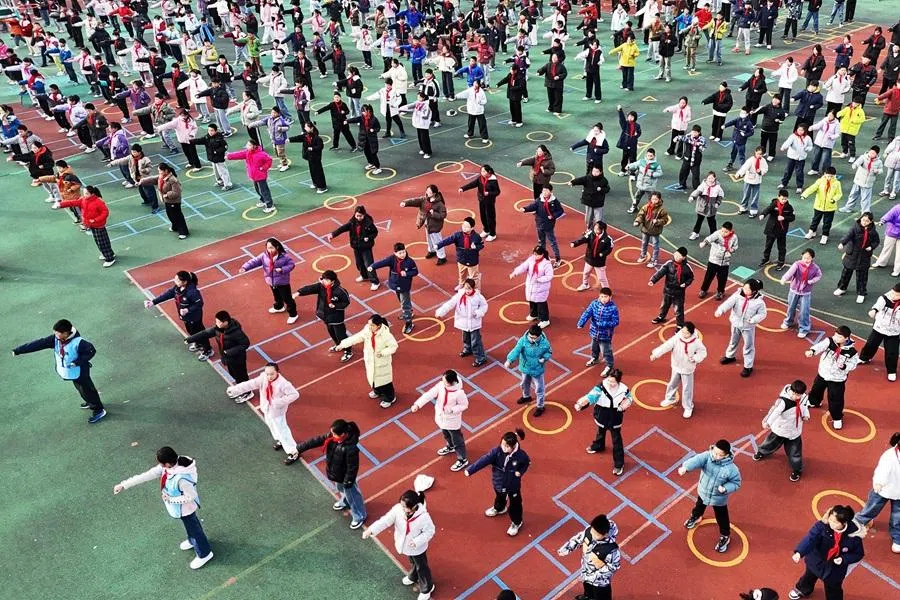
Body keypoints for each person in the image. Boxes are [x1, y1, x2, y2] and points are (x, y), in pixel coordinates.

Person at [112, 446, 214, 569]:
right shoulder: (171, 466)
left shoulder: (182, 479)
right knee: (191, 526)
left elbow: (191, 496)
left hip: (185, 508)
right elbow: (148, 475)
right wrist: (124, 484)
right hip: (181, 508)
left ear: (167, 463)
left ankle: (204, 553)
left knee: (194, 528)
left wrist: (171, 500)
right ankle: (193, 540)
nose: (159, 466)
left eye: (160, 463)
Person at [12, 319, 107, 423]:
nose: (55, 335)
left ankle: (98, 410)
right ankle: (91, 402)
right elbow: (39, 344)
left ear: (66, 333)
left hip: (81, 372)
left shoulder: (79, 342)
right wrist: (19, 350)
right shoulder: (57, 339)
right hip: (73, 372)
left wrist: (77, 362)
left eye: (58, 333)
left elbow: (91, 351)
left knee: (88, 390)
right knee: (80, 388)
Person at [363, 487, 436, 600]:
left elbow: (430, 531)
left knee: (422, 566)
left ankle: (427, 588)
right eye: (401, 505)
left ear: (414, 506)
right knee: (412, 561)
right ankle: (413, 576)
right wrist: (371, 530)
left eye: (405, 507)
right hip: (405, 545)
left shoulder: (424, 517)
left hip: (417, 548)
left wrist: (416, 542)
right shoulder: (398, 510)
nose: (402, 508)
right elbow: (386, 520)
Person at [295, 419, 367, 529]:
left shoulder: (350, 449)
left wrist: (348, 480)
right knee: (341, 489)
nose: (331, 435)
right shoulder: (332, 438)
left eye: (334, 433)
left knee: (352, 495)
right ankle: (345, 500)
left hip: (346, 477)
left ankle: (360, 515)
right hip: (337, 474)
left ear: (343, 434)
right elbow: (316, 440)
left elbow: (352, 467)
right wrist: (301, 447)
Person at [226, 363, 300, 464]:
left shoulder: (284, 384)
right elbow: (250, 384)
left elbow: (294, 394)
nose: (269, 376)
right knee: (272, 426)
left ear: (277, 372)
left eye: (272, 374)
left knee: (282, 429)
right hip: (266, 408)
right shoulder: (263, 378)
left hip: (277, 411)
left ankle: (293, 451)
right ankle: (280, 440)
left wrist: (278, 402)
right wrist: (235, 389)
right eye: (267, 374)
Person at [678, 439, 742, 554]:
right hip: (703, 491)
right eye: (715, 453)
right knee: (699, 506)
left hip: (718, 498)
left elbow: (736, 483)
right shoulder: (707, 456)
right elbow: (696, 460)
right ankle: (696, 516)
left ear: (727, 455)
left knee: (721, 516)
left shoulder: (732, 469)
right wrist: (686, 467)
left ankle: (725, 535)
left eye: (720, 455)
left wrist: (726, 488)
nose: (716, 456)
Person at [788, 505, 865, 600]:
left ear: (844, 523)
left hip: (835, 567)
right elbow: (811, 539)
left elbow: (858, 554)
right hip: (817, 560)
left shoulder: (854, 536)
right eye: (830, 519)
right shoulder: (822, 527)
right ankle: (802, 589)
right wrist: (800, 552)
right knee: (809, 576)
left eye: (835, 522)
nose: (830, 523)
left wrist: (843, 559)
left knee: (833, 587)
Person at [464, 429, 530, 537]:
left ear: (513, 447)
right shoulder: (497, 452)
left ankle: (517, 522)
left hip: (513, 485)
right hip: (499, 482)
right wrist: (470, 470)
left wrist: (520, 472)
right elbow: (484, 460)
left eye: (507, 446)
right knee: (499, 496)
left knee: (515, 504)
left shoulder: (521, 456)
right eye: (503, 444)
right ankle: (499, 508)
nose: (504, 447)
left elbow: (526, 463)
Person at [332, 314, 398, 408]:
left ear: (378, 326)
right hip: (370, 360)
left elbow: (394, 346)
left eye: (372, 325)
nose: (369, 326)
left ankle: (390, 398)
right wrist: (342, 345)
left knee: (385, 383)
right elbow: (356, 338)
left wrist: (383, 352)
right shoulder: (367, 331)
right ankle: (377, 392)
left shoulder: (386, 335)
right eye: (369, 324)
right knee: (373, 379)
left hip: (381, 362)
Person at [574, 369, 632, 476]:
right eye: (609, 380)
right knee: (600, 431)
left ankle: (619, 464)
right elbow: (591, 396)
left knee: (616, 440)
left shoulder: (624, 389)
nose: (610, 383)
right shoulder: (601, 387)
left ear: (618, 381)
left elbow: (629, 398)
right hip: (602, 413)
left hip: (615, 415)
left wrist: (624, 404)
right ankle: (599, 445)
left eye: (613, 382)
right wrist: (582, 403)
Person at [184, 311, 252, 402]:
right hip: (227, 358)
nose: (217, 323)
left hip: (237, 359)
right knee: (233, 374)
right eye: (216, 321)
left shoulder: (236, 332)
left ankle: (247, 392)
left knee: (241, 376)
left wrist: (229, 352)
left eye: (219, 322)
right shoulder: (218, 329)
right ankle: (240, 387)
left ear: (226, 322)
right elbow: (205, 333)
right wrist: (190, 339)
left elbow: (245, 344)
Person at [144, 271, 212, 360]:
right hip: (186, 317)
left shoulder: (192, 292)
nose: (174, 281)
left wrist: (187, 310)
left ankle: (208, 350)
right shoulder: (177, 288)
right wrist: (153, 302)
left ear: (184, 282)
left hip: (194, 317)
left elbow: (199, 304)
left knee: (199, 333)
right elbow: (167, 295)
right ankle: (198, 343)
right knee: (191, 332)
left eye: (177, 280)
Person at [411, 369, 470, 472]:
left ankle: (462, 459)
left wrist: (452, 410)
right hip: (441, 417)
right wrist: (418, 404)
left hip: (452, 420)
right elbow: (429, 394)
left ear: (451, 382)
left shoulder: (459, 393)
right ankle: (450, 446)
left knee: (457, 439)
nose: (443, 382)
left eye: (445, 381)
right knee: (446, 434)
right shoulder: (440, 385)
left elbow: (464, 405)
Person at [852, 431, 900, 554]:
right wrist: (879, 482)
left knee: (898, 516)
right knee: (872, 506)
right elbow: (882, 471)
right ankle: (860, 520)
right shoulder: (889, 456)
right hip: (884, 489)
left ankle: (897, 536)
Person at [805, 326, 859, 430]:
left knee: (835, 398)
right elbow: (820, 346)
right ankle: (814, 401)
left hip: (837, 378)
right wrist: (812, 351)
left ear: (846, 338)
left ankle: (837, 417)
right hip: (823, 373)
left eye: (839, 336)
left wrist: (844, 366)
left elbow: (853, 364)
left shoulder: (852, 352)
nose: (835, 337)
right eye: (835, 335)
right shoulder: (830, 341)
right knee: (816, 389)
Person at [754, 380, 810, 482]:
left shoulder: (804, 397)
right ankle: (762, 452)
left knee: (795, 452)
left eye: (798, 395)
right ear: (790, 391)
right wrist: (767, 422)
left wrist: (806, 415)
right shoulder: (783, 401)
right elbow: (774, 412)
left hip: (794, 431)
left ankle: (797, 469)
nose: (795, 397)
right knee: (770, 442)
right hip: (780, 429)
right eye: (793, 394)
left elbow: (805, 407)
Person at [293, 269, 353, 362]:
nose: (324, 281)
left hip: (336, 317)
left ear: (332, 281)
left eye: (326, 280)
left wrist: (335, 306)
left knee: (340, 334)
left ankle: (348, 351)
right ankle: (338, 345)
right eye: (323, 279)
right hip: (326, 316)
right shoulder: (321, 287)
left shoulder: (340, 291)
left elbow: (346, 302)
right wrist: (299, 292)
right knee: (331, 333)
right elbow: (310, 288)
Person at [557, 514, 621, 600]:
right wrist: (567, 548)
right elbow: (578, 539)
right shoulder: (589, 531)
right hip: (586, 572)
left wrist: (594, 577)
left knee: (601, 597)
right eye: (592, 531)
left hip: (600, 582)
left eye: (597, 534)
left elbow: (613, 567)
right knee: (588, 589)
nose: (593, 535)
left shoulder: (611, 551)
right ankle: (588, 597)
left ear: (605, 535)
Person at [651, 321, 708, 418]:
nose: (684, 334)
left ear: (691, 333)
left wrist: (695, 358)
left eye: (686, 333)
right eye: (683, 331)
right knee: (672, 383)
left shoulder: (696, 342)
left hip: (687, 368)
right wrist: (656, 354)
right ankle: (670, 398)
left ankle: (688, 407)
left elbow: (703, 352)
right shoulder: (677, 338)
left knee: (687, 388)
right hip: (676, 366)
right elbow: (666, 346)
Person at [51, 184, 116, 266]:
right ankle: (109, 253)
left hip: (98, 224)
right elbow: (73, 202)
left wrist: (95, 220)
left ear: (92, 194)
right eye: (84, 193)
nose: (84, 195)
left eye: (86, 193)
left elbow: (105, 212)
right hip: (91, 224)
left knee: (102, 242)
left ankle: (110, 258)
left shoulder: (98, 202)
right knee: (99, 241)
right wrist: (61, 204)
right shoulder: (83, 199)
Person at [715, 279, 768, 378]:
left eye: (748, 289)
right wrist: (721, 310)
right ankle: (730, 356)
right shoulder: (737, 295)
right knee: (733, 341)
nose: (745, 290)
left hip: (748, 327)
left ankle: (748, 366)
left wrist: (753, 320)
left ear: (754, 291)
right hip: (735, 323)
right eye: (744, 287)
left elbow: (763, 314)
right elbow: (728, 303)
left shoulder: (759, 302)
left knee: (748, 346)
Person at [239, 238, 298, 324]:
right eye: (268, 248)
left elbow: (291, 265)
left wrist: (282, 269)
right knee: (276, 296)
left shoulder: (284, 256)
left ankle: (293, 314)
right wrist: (245, 267)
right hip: (271, 281)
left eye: (271, 248)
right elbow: (254, 261)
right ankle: (279, 307)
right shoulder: (264, 256)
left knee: (287, 298)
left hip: (282, 281)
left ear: (277, 247)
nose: (269, 250)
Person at [435, 278, 488, 368]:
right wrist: (441, 312)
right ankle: (468, 349)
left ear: (473, 288)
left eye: (469, 288)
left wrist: (478, 313)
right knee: (465, 338)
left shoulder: (478, 296)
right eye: (466, 288)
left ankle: (480, 358)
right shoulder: (459, 295)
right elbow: (450, 303)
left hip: (474, 323)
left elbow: (484, 306)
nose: (467, 291)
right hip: (464, 323)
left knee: (476, 341)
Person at [369, 243, 419, 335]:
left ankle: (409, 323)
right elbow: (382, 262)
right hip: (395, 284)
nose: (402, 254)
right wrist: (373, 266)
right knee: (401, 300)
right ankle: (409, 313)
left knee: (405, 304)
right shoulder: (392, 259)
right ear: (395, 253)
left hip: (404, 286)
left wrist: (407, 274)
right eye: (400, 253)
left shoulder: (410, 261)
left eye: (403, 252)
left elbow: (415, 271)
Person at [327, 205, 380, 291]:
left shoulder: (368, 223)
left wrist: (369, 238)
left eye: (361, 216)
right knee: (359, 263)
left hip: (366, 247)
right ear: (355, 214)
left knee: (368, 264)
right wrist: (333, 234)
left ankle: (375, 282)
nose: (359, 217)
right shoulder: (352, 222)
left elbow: (375, 232)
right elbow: (342, 228)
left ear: (364, 214)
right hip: (356, 246)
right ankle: (364, 276)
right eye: (357, 216)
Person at [505, 324, 553, 417]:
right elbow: (516, 350)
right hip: (525, 368)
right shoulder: (523, 340)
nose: (532, 340)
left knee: (539, 388)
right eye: (531, 337)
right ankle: (526, 396)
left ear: (539, 336)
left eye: (535, 338)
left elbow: (549, 352)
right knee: (524, 384)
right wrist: (509, 360)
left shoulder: (545, 343)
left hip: (537, 369)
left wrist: (544, 358)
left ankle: (540, 406)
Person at [858, 282, 900, 382]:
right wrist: (874, 311)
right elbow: (878, 306)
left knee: (892, 352)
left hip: (894, 331)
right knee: (871, 344)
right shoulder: (884, 298)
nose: (894, 296)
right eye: (893, 293)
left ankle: (891, 371)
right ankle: (864, 358)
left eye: (897, 295)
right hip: (879, 327)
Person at [835, 212, 880, 303]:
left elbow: (876, 241)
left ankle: (861, 293)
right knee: (846, 272)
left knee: (862, 276)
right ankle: (842, 288)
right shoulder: (855, 228)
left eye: (867, 221)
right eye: (863, 220)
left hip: (864, 256)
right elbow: (848, 236)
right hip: (852, 254)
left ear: (871, 222)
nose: (864, 222)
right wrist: (842, 243)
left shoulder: (873, 231)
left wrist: (871, 247)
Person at [400, 184, 448, 266]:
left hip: (435, 227)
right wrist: (405, 203)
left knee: (437, 241)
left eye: (429, 192)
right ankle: (431, 250)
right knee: (429, 239)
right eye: (427, 191)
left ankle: (442, 257)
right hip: (427, 225)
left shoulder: (439, 204)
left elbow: (443, 215)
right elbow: (414, 201)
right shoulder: (424, 199)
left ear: (434, 193)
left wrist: (434, 213)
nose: (427, 193)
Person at [780, 249, 824, 338]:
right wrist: (784, 278)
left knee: (804, 310)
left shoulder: (815, 267)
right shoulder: (797, 264)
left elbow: (819, 275)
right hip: (794, 290)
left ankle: (804, 328)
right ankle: (788, 321)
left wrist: (812, 281)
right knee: (791, 307)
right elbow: (790, 272)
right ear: (801, 256)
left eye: (808, 258)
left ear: (812, 258)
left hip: (806, 292)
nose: (806, 260)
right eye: (804, 257)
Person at [577, 287, 620, 373]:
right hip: (594, 332)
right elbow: (587, 313)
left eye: (606, 297)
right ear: (599, 296)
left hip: (605, 335)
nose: (603, 299)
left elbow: (615, 322)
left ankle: (609, 366)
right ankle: (595, 358)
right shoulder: (594, 304)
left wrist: (603, 324)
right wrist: (581, 323)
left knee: (606, 351)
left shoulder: (613, 308)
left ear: (610, 297)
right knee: (594, 347)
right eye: (602, 296)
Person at [510, 245, 555, 329]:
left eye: (537, 254)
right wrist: (515, 273)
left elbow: (549, 276)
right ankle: (533, 314)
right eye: (534, 254)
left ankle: (545, 320)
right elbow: (523, 266)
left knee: (541, 304)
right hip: (531, 286)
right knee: (532, 301)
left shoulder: (546, 264)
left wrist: (539, 279)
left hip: (541, 288)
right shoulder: (531, 259)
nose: (535, 256)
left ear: (542, 254)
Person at [226, 138, 275, 213]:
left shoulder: (261, 154)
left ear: (254, 146)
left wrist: (263, 168)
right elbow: (238, 154)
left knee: (264, 190)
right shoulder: (248, 153)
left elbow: (269, 160)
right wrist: (229, 156)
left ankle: (270, 205)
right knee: (258, 190)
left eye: (249, 145)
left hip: (260, 176)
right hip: (254, 176)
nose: (247, 146)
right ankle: (263, 200)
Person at [521, 184, 565, 267]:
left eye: (546, 191)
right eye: (543, 190)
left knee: (552, 242)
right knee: (541, 242)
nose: (544, 192)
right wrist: (525, 209)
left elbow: (560, 211)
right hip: (539, 224)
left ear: (551, 192)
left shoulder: (554, 201)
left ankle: (558, 258)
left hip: (548, 225)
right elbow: (533, 206)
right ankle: (544, 256)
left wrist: (553, 216)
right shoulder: (539, 200)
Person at [650, 246, 694, 328]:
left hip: (679, 293)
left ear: (683, 257)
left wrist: (686, 284)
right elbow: (661, 272)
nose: (676, 257)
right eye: (675, 254)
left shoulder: (687, 267)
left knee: (678, 310)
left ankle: (680, 325)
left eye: (679, 256)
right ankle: (661, 317)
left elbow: (691, 278)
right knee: (664, 306)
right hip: (667, 290)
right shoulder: (669, 263)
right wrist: (653, 280)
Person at [437, 217, 485, 290]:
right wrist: (438, 245)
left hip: (472, 260)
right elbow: (448, 240)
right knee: (462, 274)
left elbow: (481, 245)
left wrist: (475, 247)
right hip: (461, 259)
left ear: (472, 228)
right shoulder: (458, 235)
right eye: (463, 225)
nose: (464, 228)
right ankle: (461, 284)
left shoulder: (476, 237)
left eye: (467, 226)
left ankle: (476, 289)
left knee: (474, 276)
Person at [801, 166, 842, 245]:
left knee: (827, 222)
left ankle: (825, 235)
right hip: (819, 205)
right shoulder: (820, 181)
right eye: (828, 176)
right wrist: (804, 194)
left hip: (830, 207)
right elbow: (812, 188)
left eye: (831, 176)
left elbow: (839, 194)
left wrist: (834, 199)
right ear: (825, 174)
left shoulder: (837, 183)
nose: (829, 178)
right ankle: (812, 231)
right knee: (815, 220)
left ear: (834, 175)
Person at [459, 164, 501, 241]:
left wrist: (489, 193)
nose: (482, 172)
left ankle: (492, 234)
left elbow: (497, 192)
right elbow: (472, 184)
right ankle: (486, 230)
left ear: (488, 172)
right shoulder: (480, 179)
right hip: (481, 200)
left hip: (489, 202)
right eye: (481, 171)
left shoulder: (493, 180)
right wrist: (463, 188)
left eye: (483, 171)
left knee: (490, 217)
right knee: (483, 216)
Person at [698, 222, 738, 300]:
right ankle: (704, 290)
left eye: (726, 232)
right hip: (714, 260)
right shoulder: (717, 234)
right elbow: (709, 239)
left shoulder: (734, 237)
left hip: (725, 262)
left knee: (722, 278)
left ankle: (720, 292)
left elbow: (735, 247)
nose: (723, 233)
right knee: (708, 277)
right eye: (722, 231)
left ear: (730, 231)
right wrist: (704, 243)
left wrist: (731, 250)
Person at [759, 190, 796, 270]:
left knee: (781, 247)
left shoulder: (789, 207)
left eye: (785, 199)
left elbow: (792, 218)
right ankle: (766, 259)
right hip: (771, 229)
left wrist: (784, 218)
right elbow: (767, 209)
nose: (784, 201)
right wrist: (763, 214)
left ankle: (781, 262)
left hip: (781, 230)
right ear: (778, 197)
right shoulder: (774, 204)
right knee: (768, 245)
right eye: (782, 199)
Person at [571, 221, 613, 292]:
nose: (595, 230)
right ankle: (585, 284)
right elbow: (583, 239)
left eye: (597, 229)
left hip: (599, 262)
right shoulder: (591, 234)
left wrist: (603, 254)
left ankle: (606, 291)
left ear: (602, 230)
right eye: (595, 228)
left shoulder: (607, 239)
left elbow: (610, 248)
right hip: (589, 259)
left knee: (601, 278)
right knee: (586, 273)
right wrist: (575, 243)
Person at [840, 147, 883, 214]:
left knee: (865, 198)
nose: (871, 154)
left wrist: (877, 171)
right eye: (870, 152)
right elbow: (857, 163)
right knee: (853, 195)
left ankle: (865, 212)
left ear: (876, 154)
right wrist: (855, 165)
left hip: (868, 183)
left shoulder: (879, 162)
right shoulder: (863, 157)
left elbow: (881, 170)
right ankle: (848, 207)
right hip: (858, 180)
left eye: (873, 153)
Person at [623, 148, 663, 215]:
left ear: (654, 156)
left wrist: (652, 174)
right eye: (648, 155)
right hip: (641, 184)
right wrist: (629, 166)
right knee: (637, 197)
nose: (649, 157)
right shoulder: (642, 161)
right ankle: (634, 206)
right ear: (646, 155)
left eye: (651, 156)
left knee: (651, 199)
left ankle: (651, 211)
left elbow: (660, 173)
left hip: (650, 186)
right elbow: (635, 164)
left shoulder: (656, 165)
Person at [688, 171, 725, 239]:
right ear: (706, 178)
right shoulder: (703, 185)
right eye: (709, 178)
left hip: (711, 208)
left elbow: (720, 196)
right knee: (699, 220)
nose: (710, 180)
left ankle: (714, 236)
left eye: (712, 178)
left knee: (712, 222)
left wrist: (717, 203)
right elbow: (697, 191)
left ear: (715, 178)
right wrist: (692, 197)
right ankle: (695, 233)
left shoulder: (718, 187)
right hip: (702, 206)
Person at [736, 147, 769, 216]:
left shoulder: (763, 161)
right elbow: (744, 167)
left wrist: (761, 172)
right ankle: (743, 207)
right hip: (748, 180)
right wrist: (739, 173)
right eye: (758, 154)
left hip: (757, 181)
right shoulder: (751, 160)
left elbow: (765, 169)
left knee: (755, 196)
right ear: (755, 152)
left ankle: (753, 209)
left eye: (761, 154)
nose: (759, 155)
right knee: (746, 194)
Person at [780, 125, 814, 193]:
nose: (800, 131)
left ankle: (799, 186)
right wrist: (783, 147)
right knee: (788, 171)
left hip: (801, 158)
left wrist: (807, 149)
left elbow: (810, 146)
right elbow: (788, 142)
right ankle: (784, 183)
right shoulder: (793, 136)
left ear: (805, 131)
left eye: (802, 130)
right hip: (792, 157)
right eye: (799, 130)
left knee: (799, 172)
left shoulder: (807, 138)